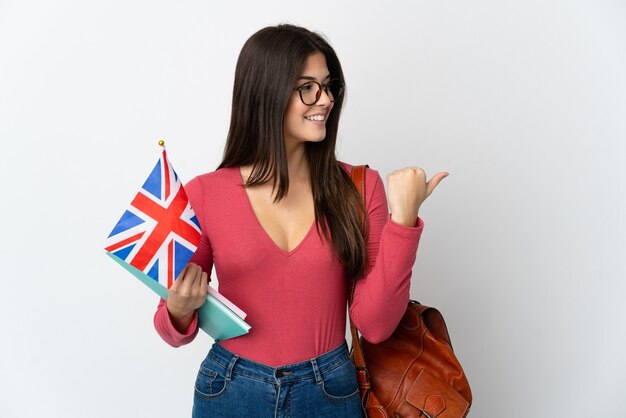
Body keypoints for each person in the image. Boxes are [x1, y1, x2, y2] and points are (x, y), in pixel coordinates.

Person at [153, 24, 448, 418]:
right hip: (230, 388)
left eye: (329, 86)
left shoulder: (359, 188)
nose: (324, 99)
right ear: (266, 93)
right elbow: (170, 327)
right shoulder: (205, 193)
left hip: (330, 390)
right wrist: (178, 308)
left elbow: (375, 325)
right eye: (307, 87)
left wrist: (404, 222)